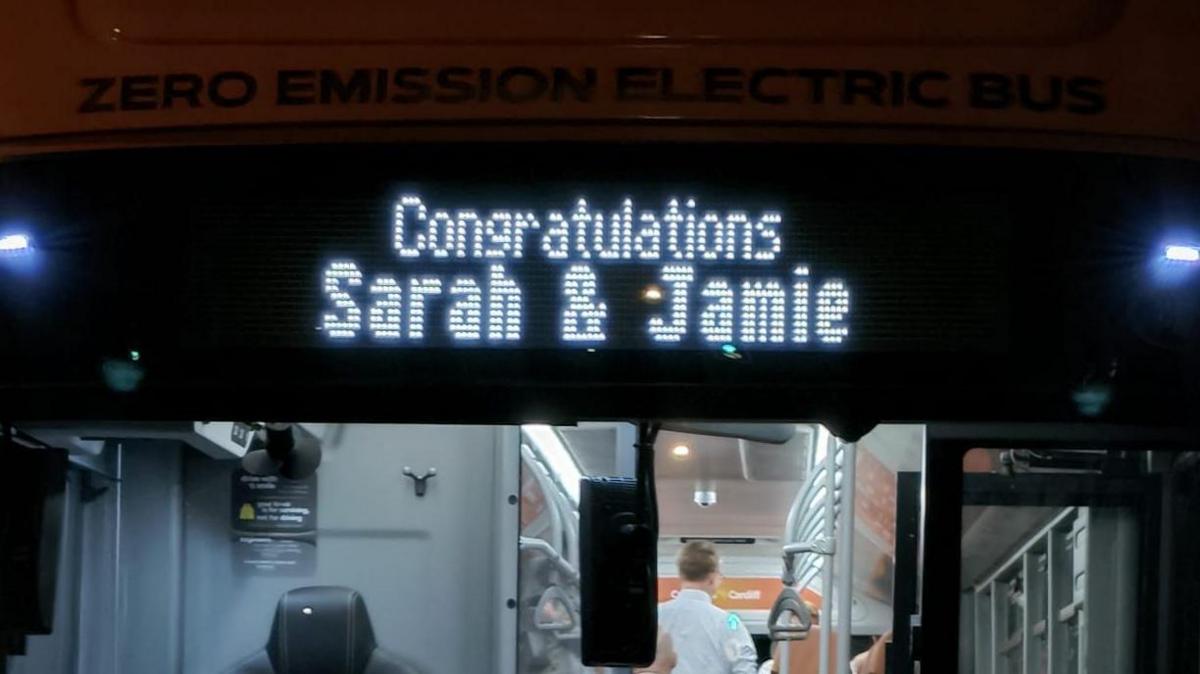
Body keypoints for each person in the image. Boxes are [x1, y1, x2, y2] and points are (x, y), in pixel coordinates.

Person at [657, 540, 758, 674]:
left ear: (680, 575)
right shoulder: (728, 622)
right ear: (712, 578)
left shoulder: (655, 616)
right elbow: (744, 666)